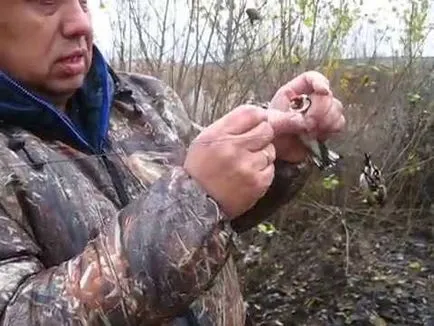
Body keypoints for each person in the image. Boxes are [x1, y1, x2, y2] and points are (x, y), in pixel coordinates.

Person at [0, 1, 345, 325]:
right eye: (46, 1)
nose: (80, 23)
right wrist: (195, 201)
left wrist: (275, 148)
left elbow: (221, 211)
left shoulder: (146, 99)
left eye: (84, 2)